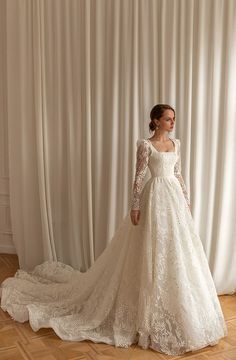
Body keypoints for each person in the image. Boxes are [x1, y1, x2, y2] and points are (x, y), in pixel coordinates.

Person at [0, 104, 227, 356]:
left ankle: (178, 309)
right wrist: (135, 206)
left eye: (173, 119)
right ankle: (146, 312)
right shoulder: (145, 145)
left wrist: (186, 199)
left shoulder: (176, 144)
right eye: (168, 119)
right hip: (155, 199)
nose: (173, 122)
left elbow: (179, 174)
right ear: (156, 120)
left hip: (173, 200)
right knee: (151, 250)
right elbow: (139, 177)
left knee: (178, 253)